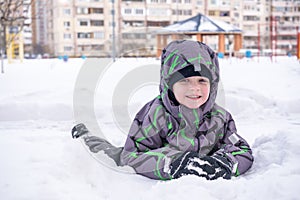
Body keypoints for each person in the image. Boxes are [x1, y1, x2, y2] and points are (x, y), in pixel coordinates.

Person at [72, 40, 254, 181]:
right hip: (160, 160)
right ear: (169, 83)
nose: (194, 89)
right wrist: (172, 164)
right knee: (114, 156)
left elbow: (241, 150)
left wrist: (226, 164)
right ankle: (87, 136)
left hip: (201, 167)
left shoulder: (220, 118)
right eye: (184, 80)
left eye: (201, 81)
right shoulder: (155, 114)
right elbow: (132, 156)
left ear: (212, 85)